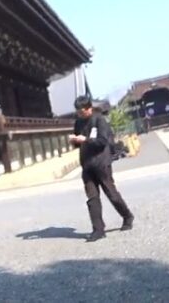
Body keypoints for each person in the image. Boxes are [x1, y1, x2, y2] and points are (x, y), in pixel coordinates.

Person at [70, 95, 134, 242]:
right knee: (92, 197)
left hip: (101, 162)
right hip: (87, 164)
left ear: (89, 108)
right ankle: (98, 229)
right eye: (77, 112)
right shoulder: (78, 123)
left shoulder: (99, 120)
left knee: (111, 192)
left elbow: (102, 141)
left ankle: (127, 216)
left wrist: (85, 140)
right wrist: (74, 140)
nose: (79, 114)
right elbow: (78, 143)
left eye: (81, 111)